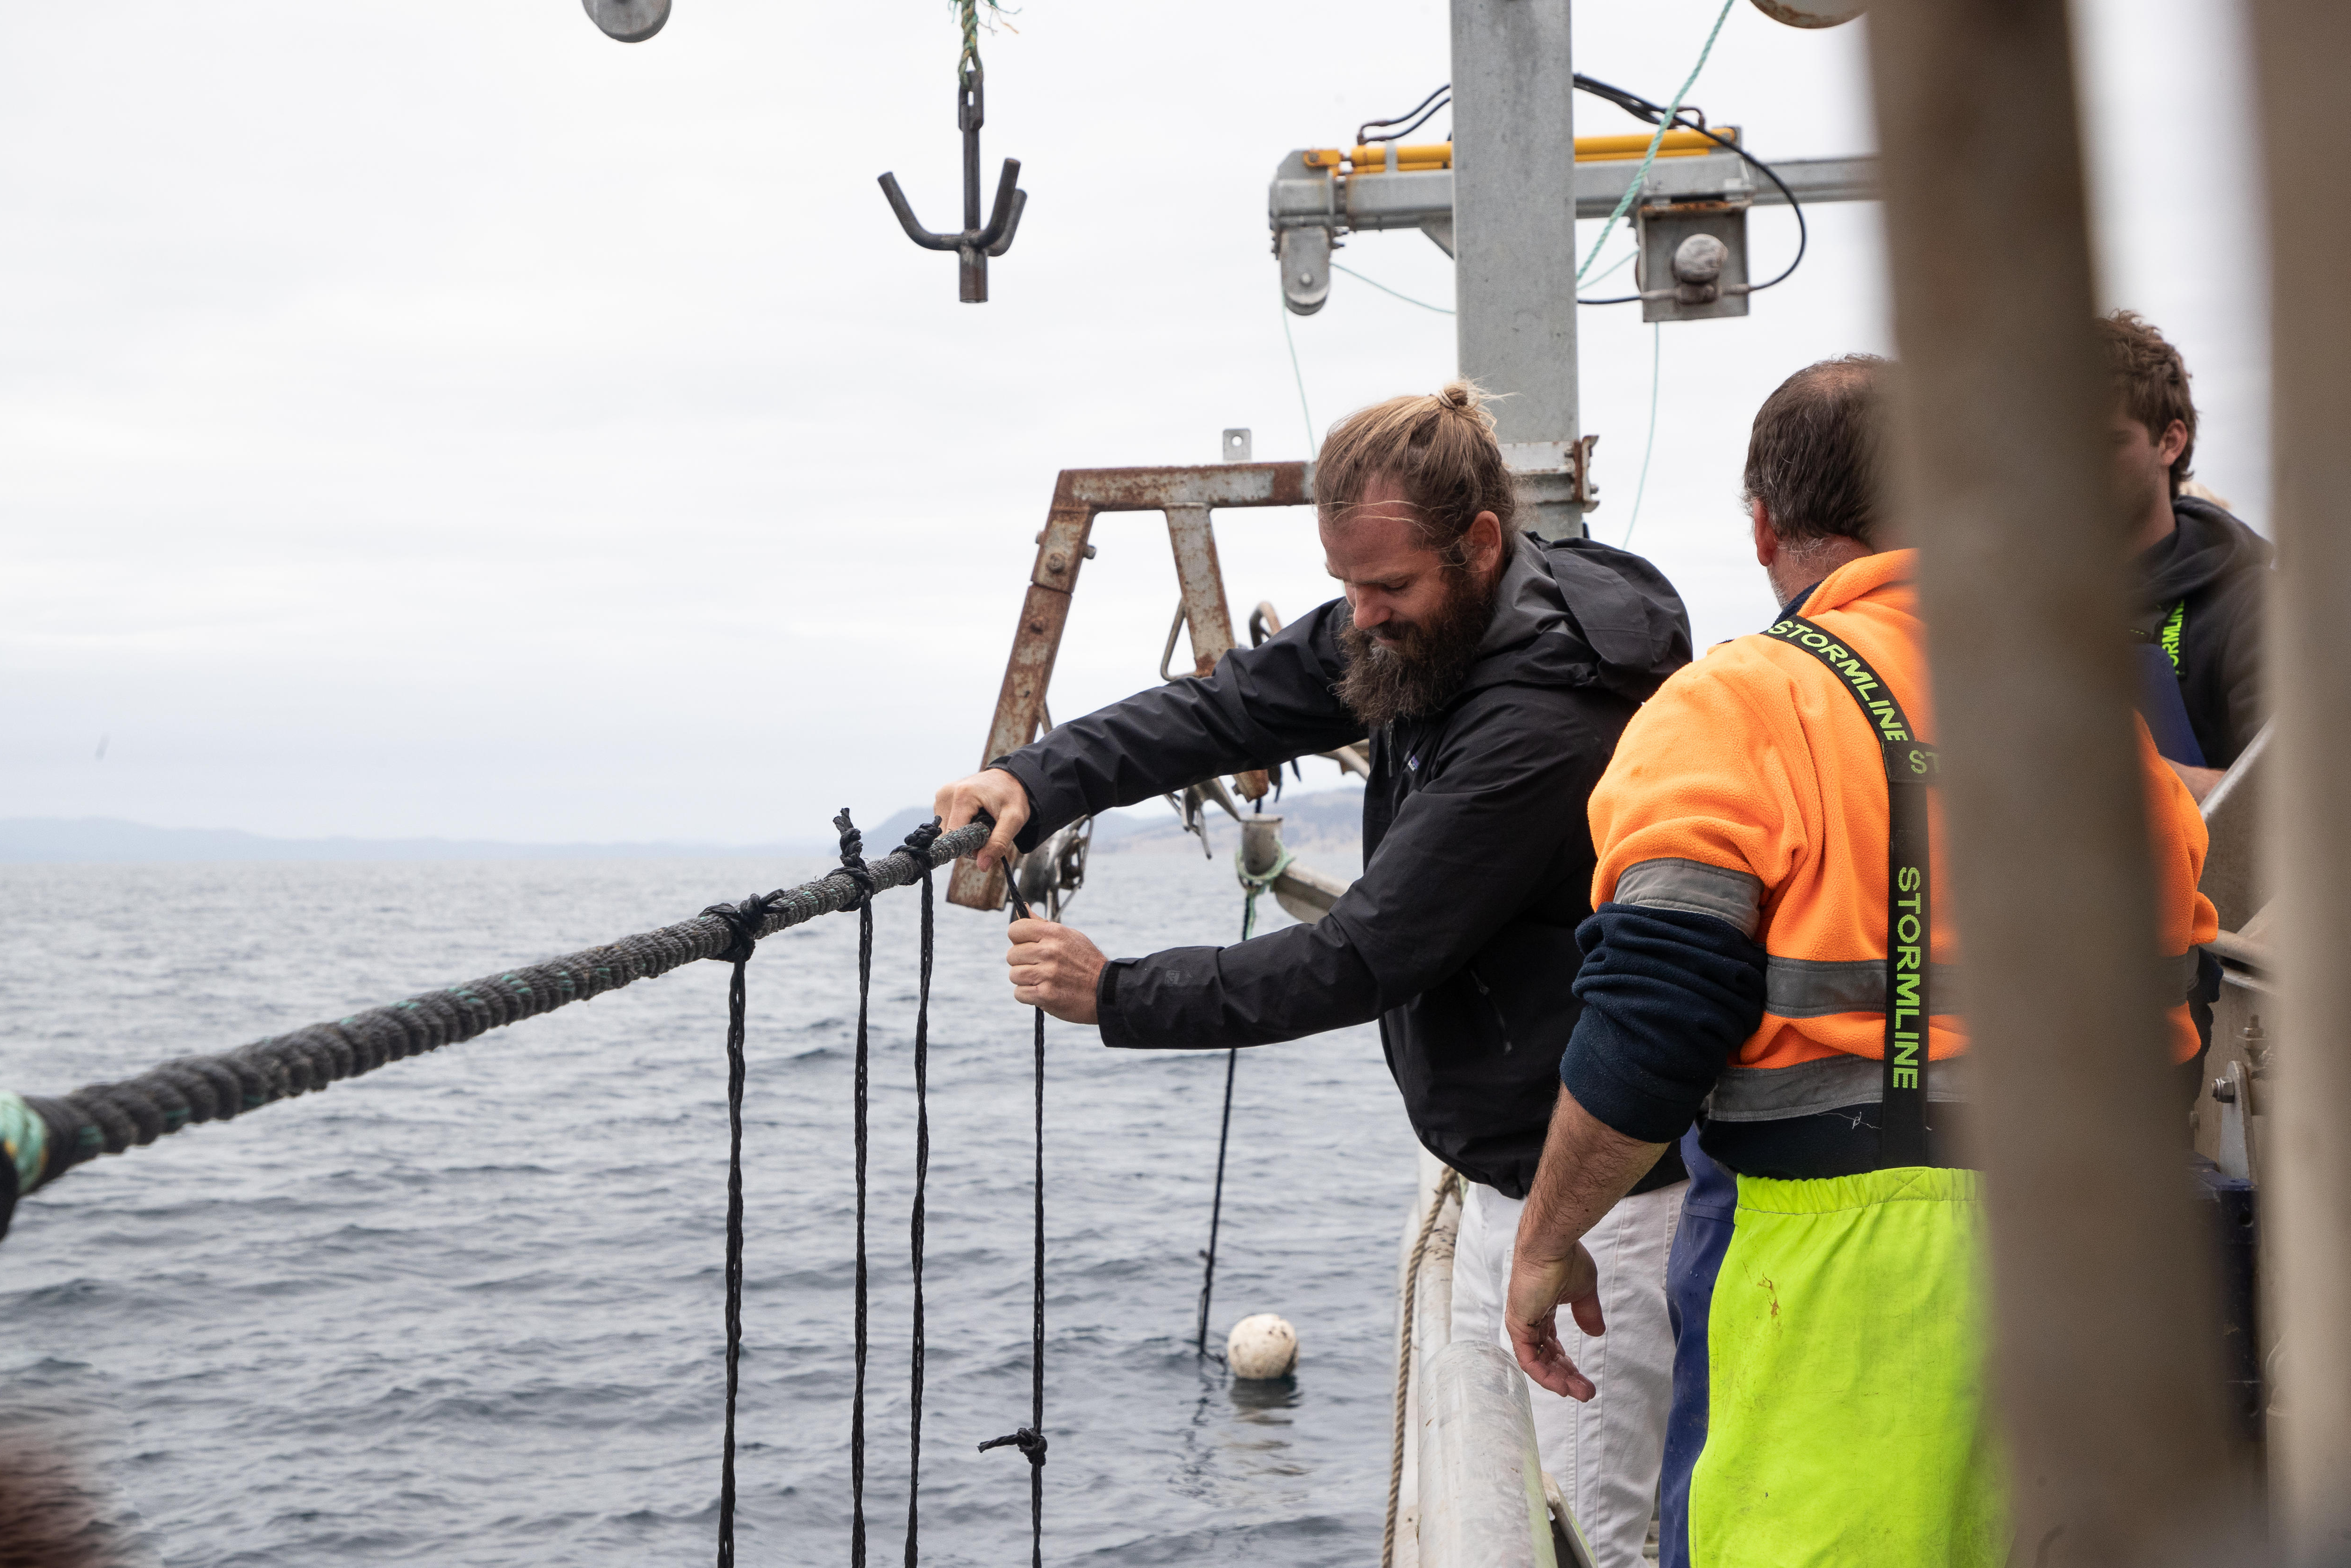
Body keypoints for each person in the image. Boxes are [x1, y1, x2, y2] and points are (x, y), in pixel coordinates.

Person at [933, 383, 1692, 1565]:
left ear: (1482, 544)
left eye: (1387, 589)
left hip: (1610, 1210)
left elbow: (1365, 954)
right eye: (1346, 587)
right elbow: (1230, 704)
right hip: (1517, 1172)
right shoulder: (1429, 631)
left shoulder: (1541, 723)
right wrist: (1039, 778)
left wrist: (1120, 992)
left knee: (1598, 1538)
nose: (1361, 617)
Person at [1501, 357, 2218, 1567]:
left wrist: (1546, 1238)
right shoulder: (2090, 714)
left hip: (1835, 1286)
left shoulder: (1737, 700)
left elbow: (1655, 1016)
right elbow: (2177, 1006)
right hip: (2094, 1273)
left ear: (1767, 526)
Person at [2103, 309, 2271, 800]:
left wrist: (2130, 774)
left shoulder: (2251, 603)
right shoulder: (2023, 603)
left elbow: (2294, 805)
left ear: (2169, 442)